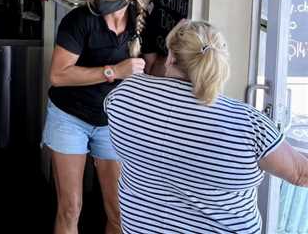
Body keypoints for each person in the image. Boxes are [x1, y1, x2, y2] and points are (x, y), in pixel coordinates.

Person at [105, 20, 308, 234]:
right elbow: (300, 173)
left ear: (171, 57)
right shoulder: (249, 125)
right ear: (221, 63)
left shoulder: (125, 96)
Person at [42, 0, 152, 234]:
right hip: (69, 117)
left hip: (114, 123)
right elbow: (58, 75)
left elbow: (154, 70)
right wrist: (113, 71)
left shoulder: (144, 24)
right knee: (70, 207)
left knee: (118, 211)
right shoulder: (79, 21)